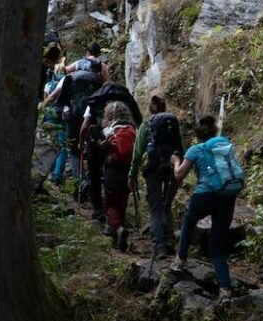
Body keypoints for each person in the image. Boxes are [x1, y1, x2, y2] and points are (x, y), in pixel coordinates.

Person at [171, 115, 244, 298]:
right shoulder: (224, 146)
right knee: (217, 245)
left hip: (204, 194)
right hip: (227, 195)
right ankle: (225, 288)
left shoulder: (196, 149)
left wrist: (175, 162)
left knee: (189, 221)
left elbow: (179, 175)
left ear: (197, 135)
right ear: (214, 132)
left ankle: (180, 260)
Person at [78, 81, 142, 220]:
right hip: (120, 144)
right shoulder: (127, 98)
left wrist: (81, 142)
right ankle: (119, 213)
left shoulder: (95, 98)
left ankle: (98, 208)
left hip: (98, 139)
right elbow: (139, 120)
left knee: (94, 173)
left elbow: (85, 125)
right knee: (120, 171)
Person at [131, 95, 184, 257]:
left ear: (150, 109)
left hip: (153, 168)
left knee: (155, 208)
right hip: (172, 167)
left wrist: (132, 174)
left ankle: (158, 246)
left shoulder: (146, 125)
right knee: (167, 205)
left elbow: (138, 152)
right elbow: (180, 146)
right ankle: (169, 243)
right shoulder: (173, 123)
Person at [98, 102, 137, 251]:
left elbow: (102, 147)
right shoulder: (133, 130)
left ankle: (118, 228)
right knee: (122, 200)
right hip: (127, 170)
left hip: (112, 169)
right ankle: (118, 227)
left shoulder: (109, 130)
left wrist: (102, 146)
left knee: (110, 203)